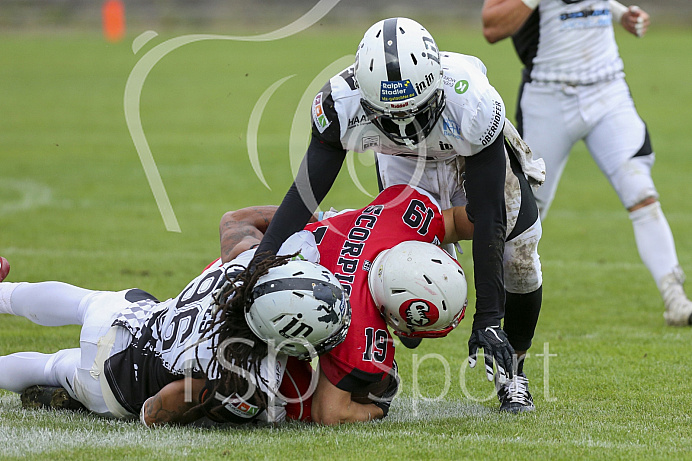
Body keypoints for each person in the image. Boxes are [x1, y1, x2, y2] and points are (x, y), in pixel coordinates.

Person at [252, 17, 545, 412]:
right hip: (406, 166)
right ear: (366, 99)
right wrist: (261, 262)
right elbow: (305, 192)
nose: (408, 127)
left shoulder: (471, 102)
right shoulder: (340, 103)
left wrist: (488, 317)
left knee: (520, 260)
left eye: (415, 113)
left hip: (466, 152)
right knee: (404, 272)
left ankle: (515, 374)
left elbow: (488, 216)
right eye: (393, 117)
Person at [481, 0, 692, 326]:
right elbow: (492, 26)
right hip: (548, 95)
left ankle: (675, 298)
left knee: (640, 192)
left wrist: (620, 13)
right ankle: (493, 305)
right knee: (523, 209)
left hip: (607, 88)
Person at [0, 251, 352, 426]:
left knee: (84, 301)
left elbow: (234, 222)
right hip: (114, 382)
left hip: (130, 316)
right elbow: (162, 405)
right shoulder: (252, 378)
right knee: (51, 367)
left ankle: (6, 293)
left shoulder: (243, 268)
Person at [220, 184, 471, 424]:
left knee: (241, 231)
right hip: (234, 329)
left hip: (229, 276)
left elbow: (459, 220)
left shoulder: (403, 213)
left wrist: (325, 219)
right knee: (317, 403)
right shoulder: (363, 333)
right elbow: (329, 414)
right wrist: (378, 409)